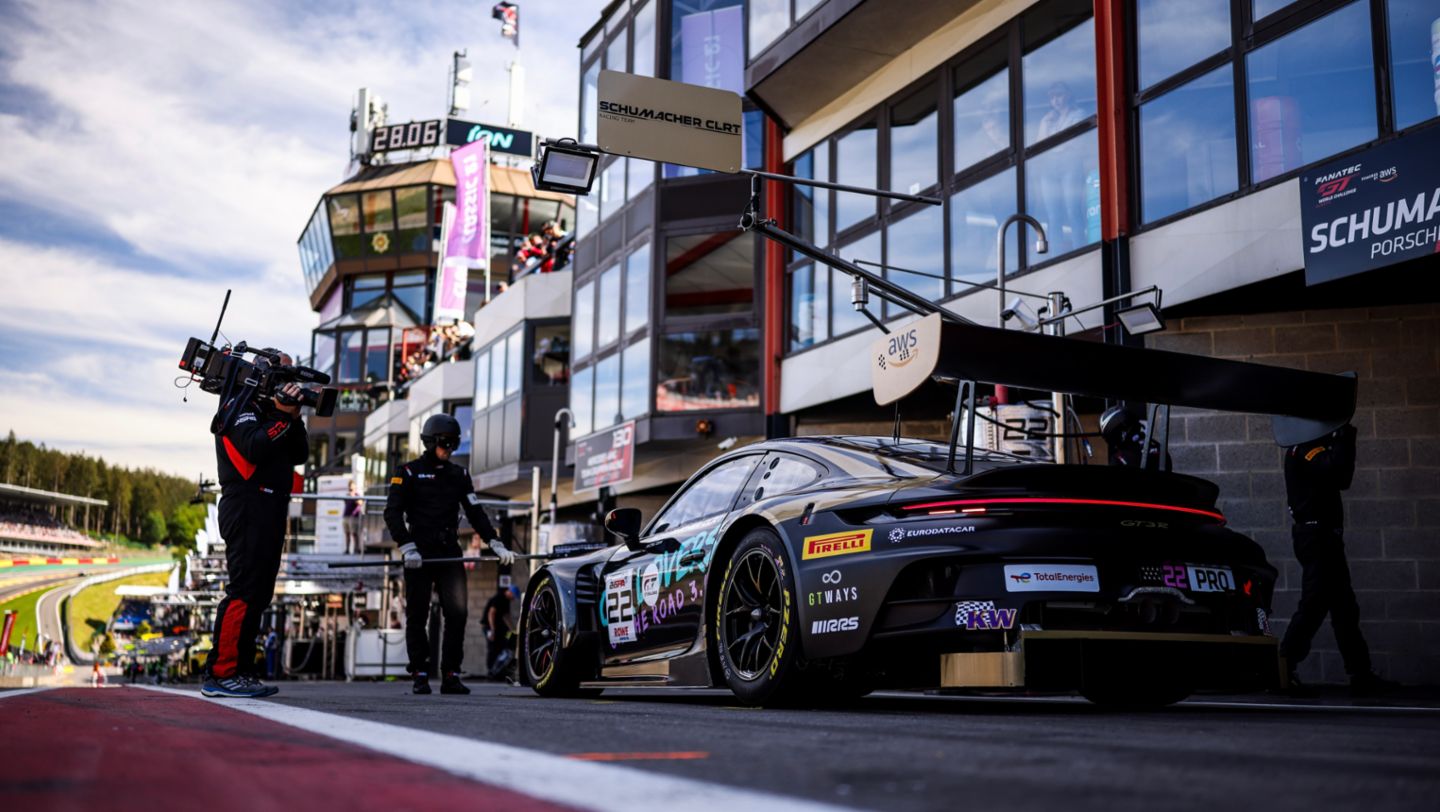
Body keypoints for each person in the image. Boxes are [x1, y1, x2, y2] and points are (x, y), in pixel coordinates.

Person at [385, 413, 516, 695]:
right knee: (418, 615)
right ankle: (419, 672)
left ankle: (450, 674)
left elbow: (475, 512)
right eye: (445, 443)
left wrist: (495, 542)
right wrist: (407, 545)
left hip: (449, 551)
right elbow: (392, 513)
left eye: (454, 444)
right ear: (431, 442)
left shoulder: (459, 475)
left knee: (457, 614)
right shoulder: (406, 472)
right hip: (418, 551)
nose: (449, 450)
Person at [201, 368, 308, 699]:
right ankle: (221, 672)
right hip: (246, 504)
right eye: (282, 375)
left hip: (271, 506)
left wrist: (293, 417)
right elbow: (254, 448)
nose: (288, 383)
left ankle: (241, 670)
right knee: (244, 591)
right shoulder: (238, 405)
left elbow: (300, 454)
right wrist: (281, 415)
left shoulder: (272, 414)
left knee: (260, 595)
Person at [1279, 423, 1394, 695]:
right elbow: (1339, 475)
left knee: (1344, 609)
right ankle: (1282, 669)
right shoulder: (1305, 451)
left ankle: (1360, 674)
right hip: (1316, 537)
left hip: (1326, 537)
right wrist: (1343, 438)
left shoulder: (1312, 449)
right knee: (1313, 605)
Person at [481, 586, 513, 676]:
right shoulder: (499, 598)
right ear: (510, 592)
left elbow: (506, 616)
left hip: (497, 627)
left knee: (500, 647)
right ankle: (491, 671)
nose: (513, 599)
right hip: (488, 626)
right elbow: (491, 613)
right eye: (513, 596)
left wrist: (512, 629)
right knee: (492, 647)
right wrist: (492, 629)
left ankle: (497, 671)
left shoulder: (506, 601)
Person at [344, 482, 365, 554]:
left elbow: (361, 503)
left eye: (352, 486)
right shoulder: (347, 495)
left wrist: (353, 497)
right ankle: (347, 549)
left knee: (354, 534)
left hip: (353, 517)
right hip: (346, 516)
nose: (350, 488)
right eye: (350, 486)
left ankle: (357, 549)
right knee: (347, 534)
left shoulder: (357, 495)